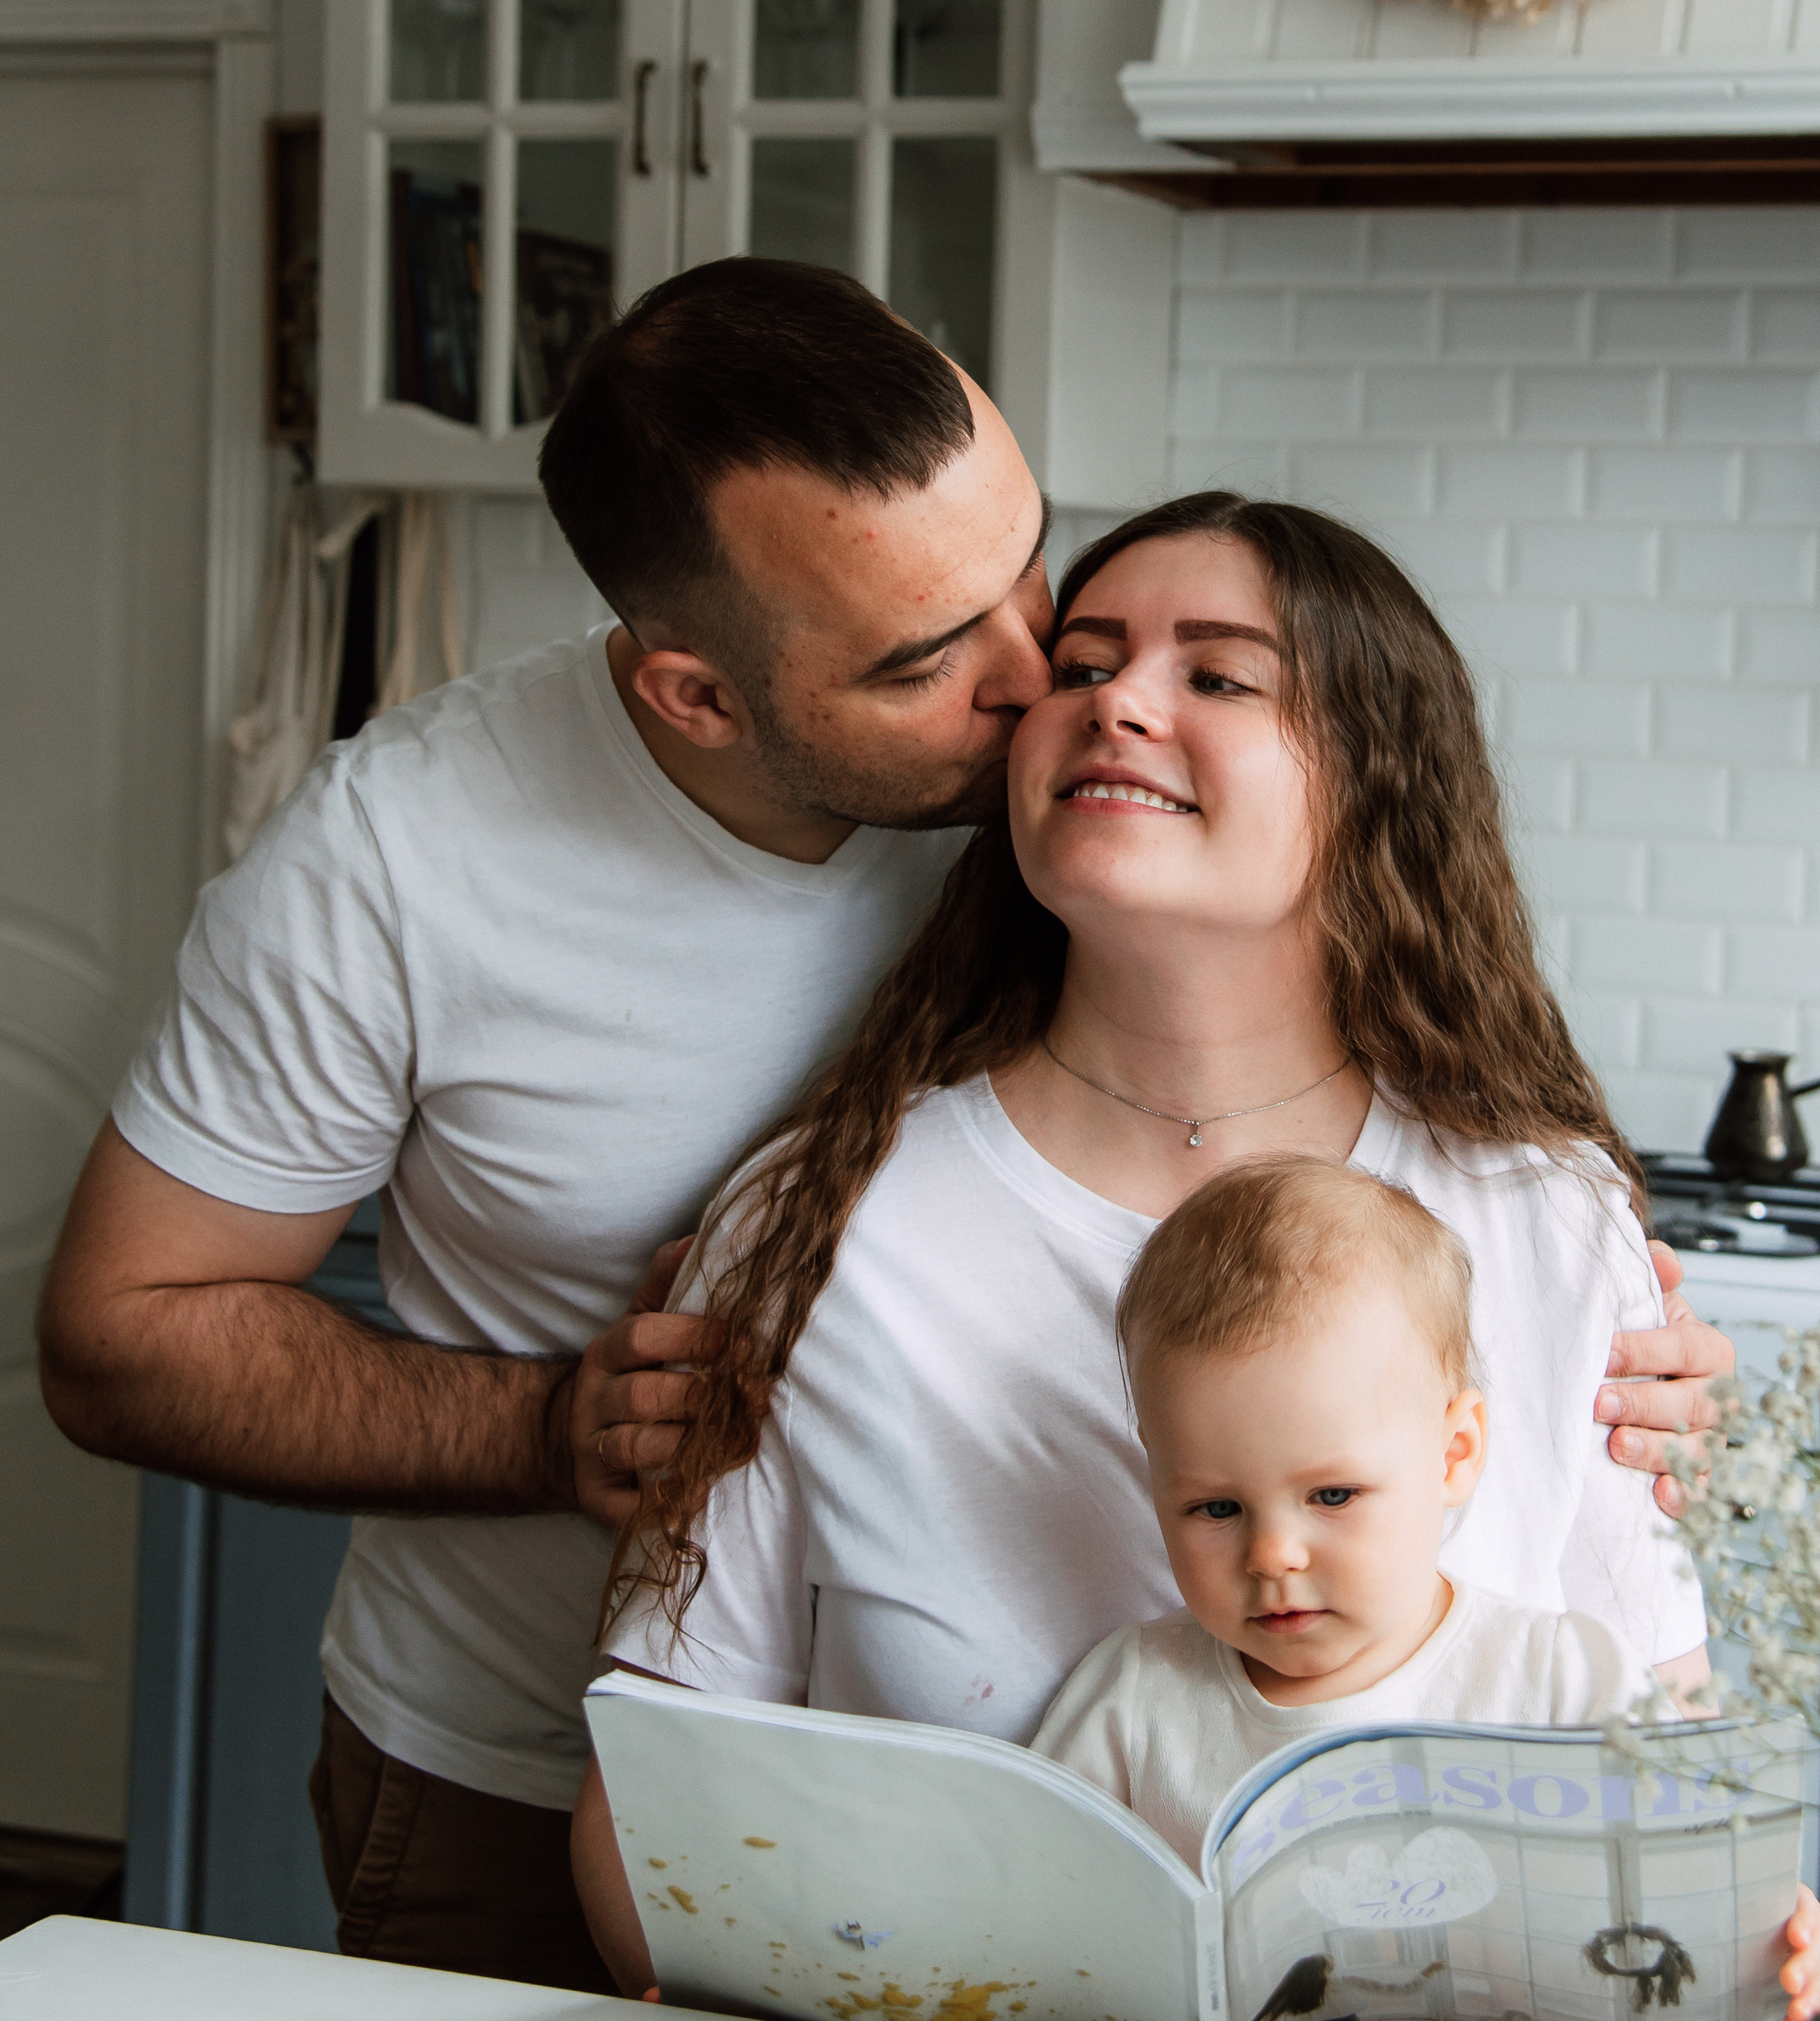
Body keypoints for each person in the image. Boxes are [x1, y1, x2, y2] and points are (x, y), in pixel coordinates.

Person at [37, 263, 1721, 1989]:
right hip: (517, 1747)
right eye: (947, 654)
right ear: (702, 695)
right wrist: (562, 1427)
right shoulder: (404, 872)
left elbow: (1660, 1782)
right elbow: (119, 1341)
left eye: (1032, 581)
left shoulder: (1507, 1203)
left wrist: (1599, 1315)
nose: (1038, 686)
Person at [575, 493, 1732, 1993]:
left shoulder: (1548, 1217)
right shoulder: (822, 1225)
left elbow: (1673, 1761)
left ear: (1375, 775)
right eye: (1084, 663)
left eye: (1219, 675)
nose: (1117, 698)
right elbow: (655, 1828)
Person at [1030, 1154, 1820, 2019]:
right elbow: (1014, 1921)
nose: (1273, 1554)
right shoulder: (1131, 1702)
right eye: (1214, 1506)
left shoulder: (1563, 1679)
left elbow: (1703, 1891)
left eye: (1332, 1495)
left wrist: (1781, 1937)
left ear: (1454, 1453)